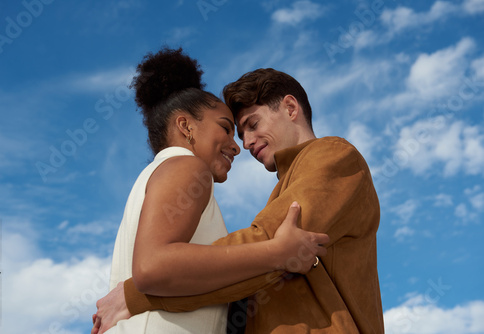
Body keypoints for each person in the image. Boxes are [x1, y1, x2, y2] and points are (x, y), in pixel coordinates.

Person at [93, 66, 384, 333]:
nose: (244, 143)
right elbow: (264, 260)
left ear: (290, 108)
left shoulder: (333, 155)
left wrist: (138, 295)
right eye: (238, 132)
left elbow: (269, 247)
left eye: (252, 125)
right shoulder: (284, 185)